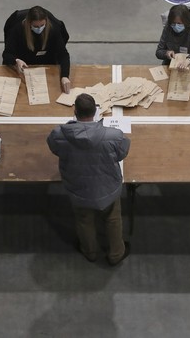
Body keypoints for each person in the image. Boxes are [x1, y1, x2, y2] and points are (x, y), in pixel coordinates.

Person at [46, 93, 131, 265]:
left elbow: (55, 149)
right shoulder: (113, 135)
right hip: (108, 187)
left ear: (75, 111)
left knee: (84, 220)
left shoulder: (59, 134)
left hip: (78, 187)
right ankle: (116, 254)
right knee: (113, 219)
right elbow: (122, 153)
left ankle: (90, 252)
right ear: (95, 111)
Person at [2, 5, 72, 93]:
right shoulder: (17, 30)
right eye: (36, 26)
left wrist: (65, 76)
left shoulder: (54, 29)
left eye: (42, 25)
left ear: (46, 21)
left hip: (46, 61)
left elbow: (63, 55)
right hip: (24, 65)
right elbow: (7, 54)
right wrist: (16, 60)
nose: (39, 29)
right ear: (29, 23)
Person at [155, 4, 190, 71]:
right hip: (171, 65)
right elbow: (158, 52)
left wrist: (188, 60)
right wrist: (166, 53)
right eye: (173, 23)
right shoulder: (168, 28)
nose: (176, 26)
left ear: (186, 22)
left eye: (179, 23)